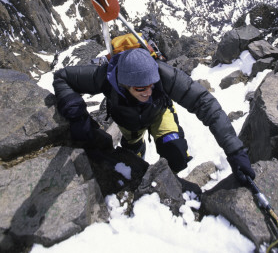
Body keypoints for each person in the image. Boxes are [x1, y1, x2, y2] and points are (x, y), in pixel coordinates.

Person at [53, 48, 255, 183]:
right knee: (132, 153)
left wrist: (235, 152)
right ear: (123, 84)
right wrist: (78, 115)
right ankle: (136, 147)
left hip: (159, 112)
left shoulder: (164, 76)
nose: (148, 92)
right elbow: (62, 77)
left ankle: (168, 188)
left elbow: (205, 103)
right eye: (141, 88)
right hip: (128, 121)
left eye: (152, 85)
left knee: (176, 154)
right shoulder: (106, 76)